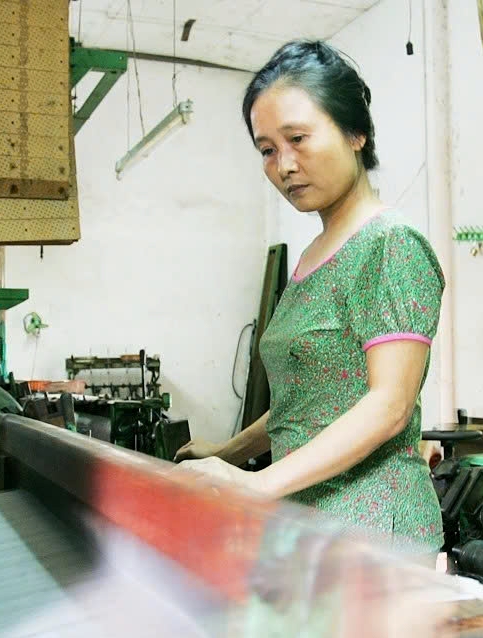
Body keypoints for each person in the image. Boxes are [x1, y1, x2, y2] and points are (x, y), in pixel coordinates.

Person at [176, 39, 446, 557]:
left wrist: (256, 484)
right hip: (309, 524)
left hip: (373, 532)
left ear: (355, 134)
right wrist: (230, 455)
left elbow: (389, 405)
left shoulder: (390, 245)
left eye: (298, 138)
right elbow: (307, 402)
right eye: (267, 150)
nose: (284, 164)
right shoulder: (312, 257)